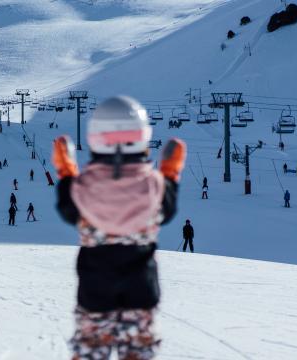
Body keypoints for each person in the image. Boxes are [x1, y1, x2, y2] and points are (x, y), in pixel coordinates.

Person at [52, 96, 183, 360]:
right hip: (141, 291)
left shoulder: (83, 187)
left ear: (95, 138)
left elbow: (68, 211)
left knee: (92, 346)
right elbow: (166, 211)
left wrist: (66, 173)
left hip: (95, 291)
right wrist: (170, 175)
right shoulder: (154, 186)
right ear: (143, 136)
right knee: (137, 351)